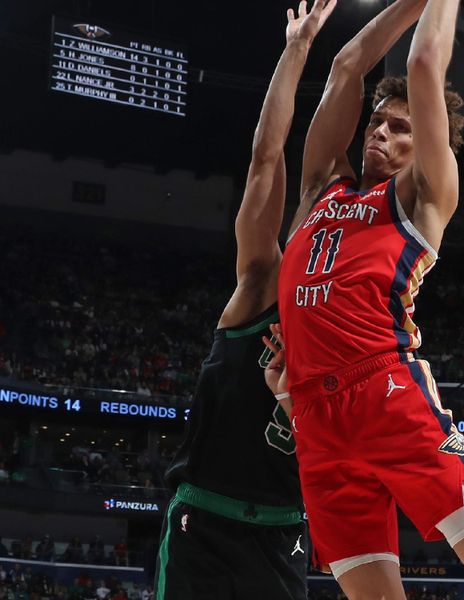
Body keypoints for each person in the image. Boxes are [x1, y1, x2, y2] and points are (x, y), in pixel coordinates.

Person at [270, 0, 464, 598]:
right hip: (315, 421)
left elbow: (424, 63)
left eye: (402, 128)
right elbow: (344, 67)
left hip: (386, 396)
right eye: (377, 124)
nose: (382, 133)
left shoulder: (422, 195)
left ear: (428, 145)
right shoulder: (319, 192)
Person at [153, 2, 337, 599]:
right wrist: (297, 48)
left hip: (282, 529)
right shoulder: (262, 282)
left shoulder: (345, 327)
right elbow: (265, 158)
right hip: (204, 518)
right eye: (317, 211)